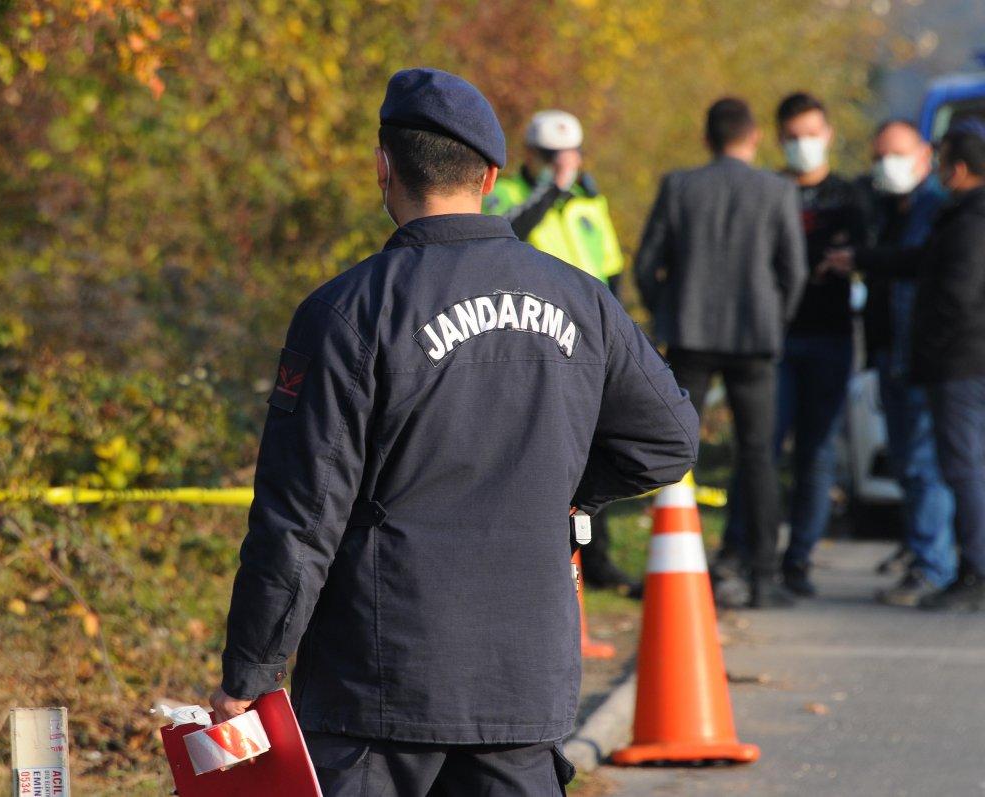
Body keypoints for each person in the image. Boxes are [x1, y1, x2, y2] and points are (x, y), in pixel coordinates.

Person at [207, 68, 699, 794]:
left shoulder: (347, 313)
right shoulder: (582, 301)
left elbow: (301, 516)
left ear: (383, 164)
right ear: (493, 174)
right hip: (523, 690)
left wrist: (249, 671)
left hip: (379, 690)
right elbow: (670, 440)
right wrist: (571, 492)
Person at [635, 97, 807, 608]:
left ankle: (668, 568)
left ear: (706, 138)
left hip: (690, 335)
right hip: (755, 338)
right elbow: (792, 271)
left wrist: (665, 311)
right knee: (757, 454)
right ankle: (764, 574)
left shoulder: (680, 186)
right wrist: (777, 319)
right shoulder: (777, 190)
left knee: (674, 450)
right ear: (753, 137)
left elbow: (648, 262)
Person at [824, 122, 985, 611]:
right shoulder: (958, 216)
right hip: (953, 362)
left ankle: (973, 572)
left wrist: (922, 351)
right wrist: (863, 258)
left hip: (957, 364)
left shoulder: (968, 220)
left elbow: (953, 294)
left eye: (939, 162)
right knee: (956, 466)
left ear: (956, 168)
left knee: (959, 468)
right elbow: (917, 262)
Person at [485, 109, 638, 596]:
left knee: (596, 446)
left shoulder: (590, 201)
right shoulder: (506, 194)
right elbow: (505, 235)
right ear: (530, 153)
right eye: (551, 156)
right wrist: (549, 190)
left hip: (590, 336)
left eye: (569, 155)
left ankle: (599, 558)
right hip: (536, 333)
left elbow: (610, 267)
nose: (562, 163)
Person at [722, 93, 867, 598]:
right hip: (774, 341)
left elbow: (873, 249)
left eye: (812, 134)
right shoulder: (767, 190)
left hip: (828, 336)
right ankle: (741, 552)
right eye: (793, 136)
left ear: (828, 135)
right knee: (760, 449)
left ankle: (798, 559)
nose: (803, 145)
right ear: (779, 139)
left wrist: (852, 258)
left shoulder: (851, 197)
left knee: (817, 453)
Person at [859, 120, 957, 606]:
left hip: (916, 358)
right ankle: (926, 557)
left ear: (924, 155)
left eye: (896, 154)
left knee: (923, 465)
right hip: (891, 356)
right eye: (879, 156)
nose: (887, 165)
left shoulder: (934, 210)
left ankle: (934, 566)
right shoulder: (888, 210)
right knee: (908, 464)